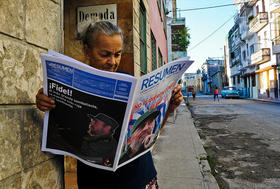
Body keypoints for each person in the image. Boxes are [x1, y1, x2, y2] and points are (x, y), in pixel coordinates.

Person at [35, 21, 183, 189]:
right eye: (105, 54)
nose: (113, 62)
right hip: (96, 182)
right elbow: (60, 126)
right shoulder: (72, 83)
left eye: (117, 54)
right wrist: (45, 100)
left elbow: (154, 131)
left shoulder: (128, 81)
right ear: (86, 51)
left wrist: (169, 108)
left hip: (141, 177)